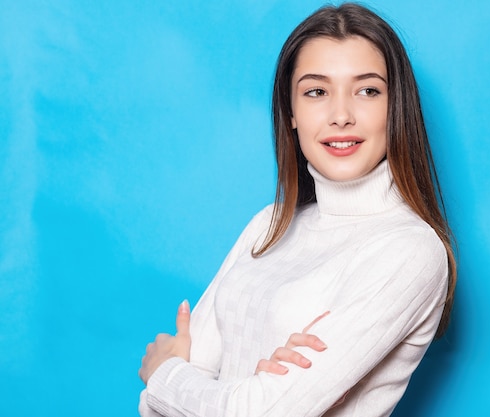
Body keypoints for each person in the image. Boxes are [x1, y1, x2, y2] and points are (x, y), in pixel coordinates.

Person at [138, 3, 457, 416]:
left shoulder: (410, 252)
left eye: (367, 90)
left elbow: (251, 412)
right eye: (316, 92)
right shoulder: (270, 224)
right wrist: (229, 391)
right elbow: (156, 410)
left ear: (395, 108)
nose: (341, 115)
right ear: (291, 112)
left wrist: (165, 373)